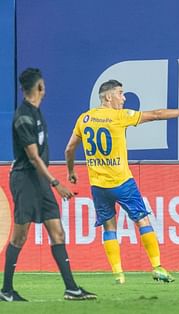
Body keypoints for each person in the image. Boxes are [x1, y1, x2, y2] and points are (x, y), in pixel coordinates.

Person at [64, 79, 179, 284]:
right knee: (142, 220)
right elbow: (156, 115)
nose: (124, 98)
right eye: (120, 93)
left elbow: (69, 148)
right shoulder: (120, 116)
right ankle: (157, 267)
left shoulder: (84, 119)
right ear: (108, 97)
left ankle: (118, 274)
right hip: (122, 183)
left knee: (109, 227)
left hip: (98, 186)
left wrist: (71, 171)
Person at [0, 68, 96, 301]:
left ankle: (72, 289)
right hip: (25, 180)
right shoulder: (23, 116)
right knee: (20, 237)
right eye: (43, 84)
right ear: (40, 87)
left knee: (58, 232)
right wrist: (56, 182)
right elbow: (32, 157)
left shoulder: (36, 113)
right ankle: (6, 291)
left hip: (39, 181)